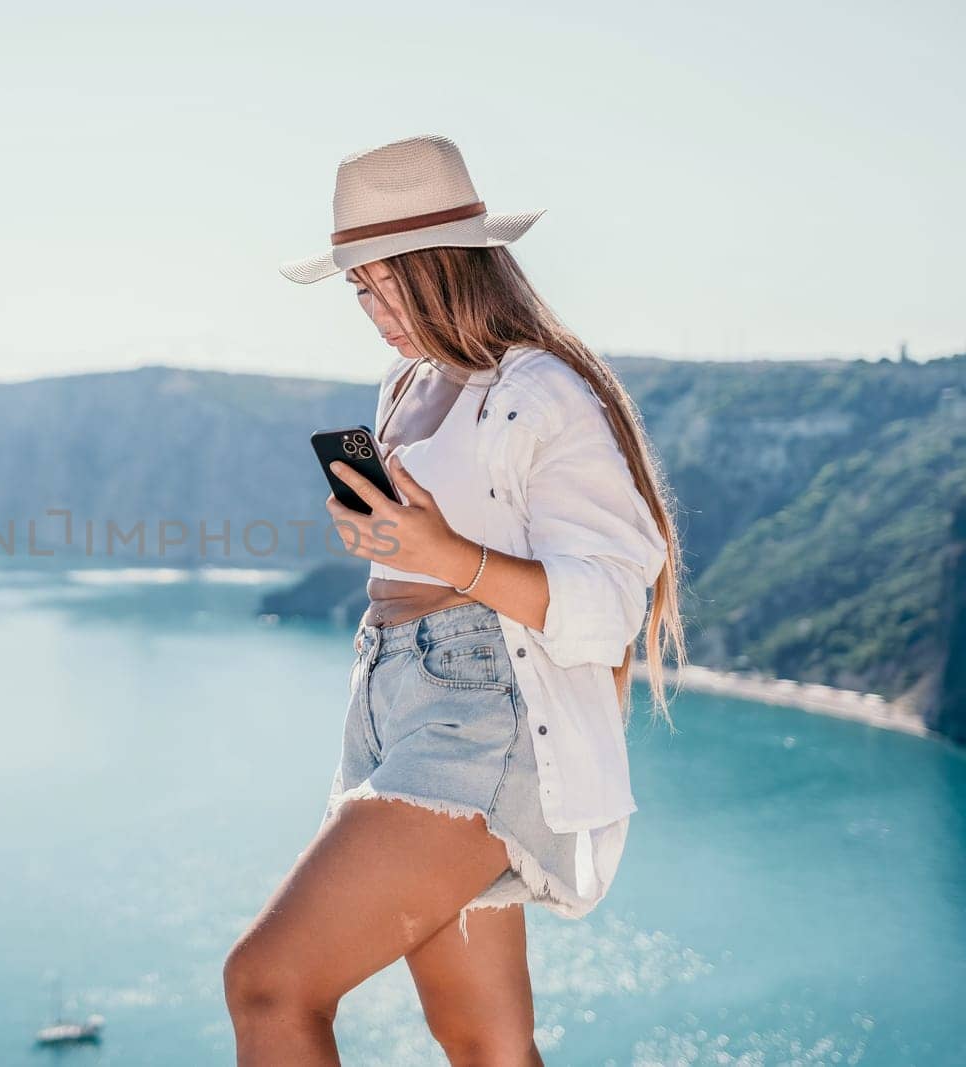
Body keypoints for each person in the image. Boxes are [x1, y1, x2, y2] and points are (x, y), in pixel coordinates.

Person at [222, 134, 689, 1065]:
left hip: (483, 711)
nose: (373, 309)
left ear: (451, 267)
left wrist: (445, 554)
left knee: (269, 984)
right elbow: (429, 558)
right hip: (394, 700)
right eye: (358, 287)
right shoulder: (407, 385)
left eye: (389, 280)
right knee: (484, 1041)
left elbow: (608, 601)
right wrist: (393, 547)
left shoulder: (542, 392)